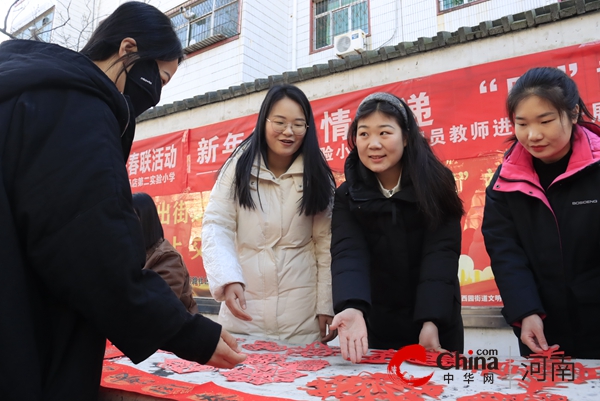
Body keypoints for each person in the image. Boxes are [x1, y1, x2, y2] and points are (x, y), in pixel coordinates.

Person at [0, 2, 244, 400]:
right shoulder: (75, 108)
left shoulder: (21, 92)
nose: (157, 94)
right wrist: (187, 332)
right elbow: (92, 252)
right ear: (128, 49)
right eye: (159, 78)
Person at [329, 92, 464, 363]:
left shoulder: (436, 184)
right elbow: (348, 253)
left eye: (384, 133)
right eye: (363, 134)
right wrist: (352, 306)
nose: (373, 144)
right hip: (376, 323)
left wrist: (431, 319)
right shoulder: (348, 194)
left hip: (434, 324)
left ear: (405, 136)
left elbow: (441, 254)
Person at [202, 84, 337, 344]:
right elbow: (217, 225)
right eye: (280, 122)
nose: (289, 131)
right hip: (244, 315)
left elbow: (326, 244)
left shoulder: (317, 174)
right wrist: (228, 279)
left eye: (298, 124)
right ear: (264, 121)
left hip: (303, 320)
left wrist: (326, 304)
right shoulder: (238, 167)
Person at [482, 67, 600, 359]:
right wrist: (526, 311)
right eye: (521, 124)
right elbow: (506, 253)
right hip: (542, 329)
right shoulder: (505, 180)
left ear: (573, 114)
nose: (533, 135)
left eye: (545, 121)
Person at [132, 192, 199, 314]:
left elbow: (159, 309)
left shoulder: (168, 258)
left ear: (145, 220)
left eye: (131, 219)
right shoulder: (132, 254)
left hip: (175, 331)